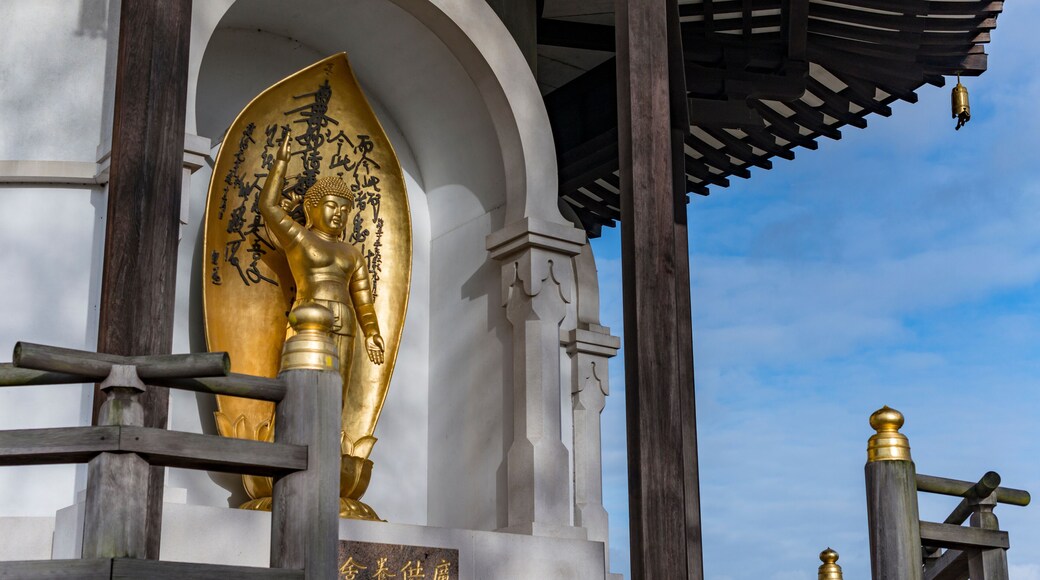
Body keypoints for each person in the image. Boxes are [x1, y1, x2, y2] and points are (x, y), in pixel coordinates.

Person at [258, 133, 385, 389]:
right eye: (331, 205)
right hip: (308, 315)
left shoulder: (353, 253)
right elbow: (269, 207)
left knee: (338, 384)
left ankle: (335, 429)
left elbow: (364, 301)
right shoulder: (300, 237)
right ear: (310, 208)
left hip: (345, 320)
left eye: (344, 210)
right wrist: (281, 164)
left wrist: (372, 332)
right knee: (304, 379)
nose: (338, 213)